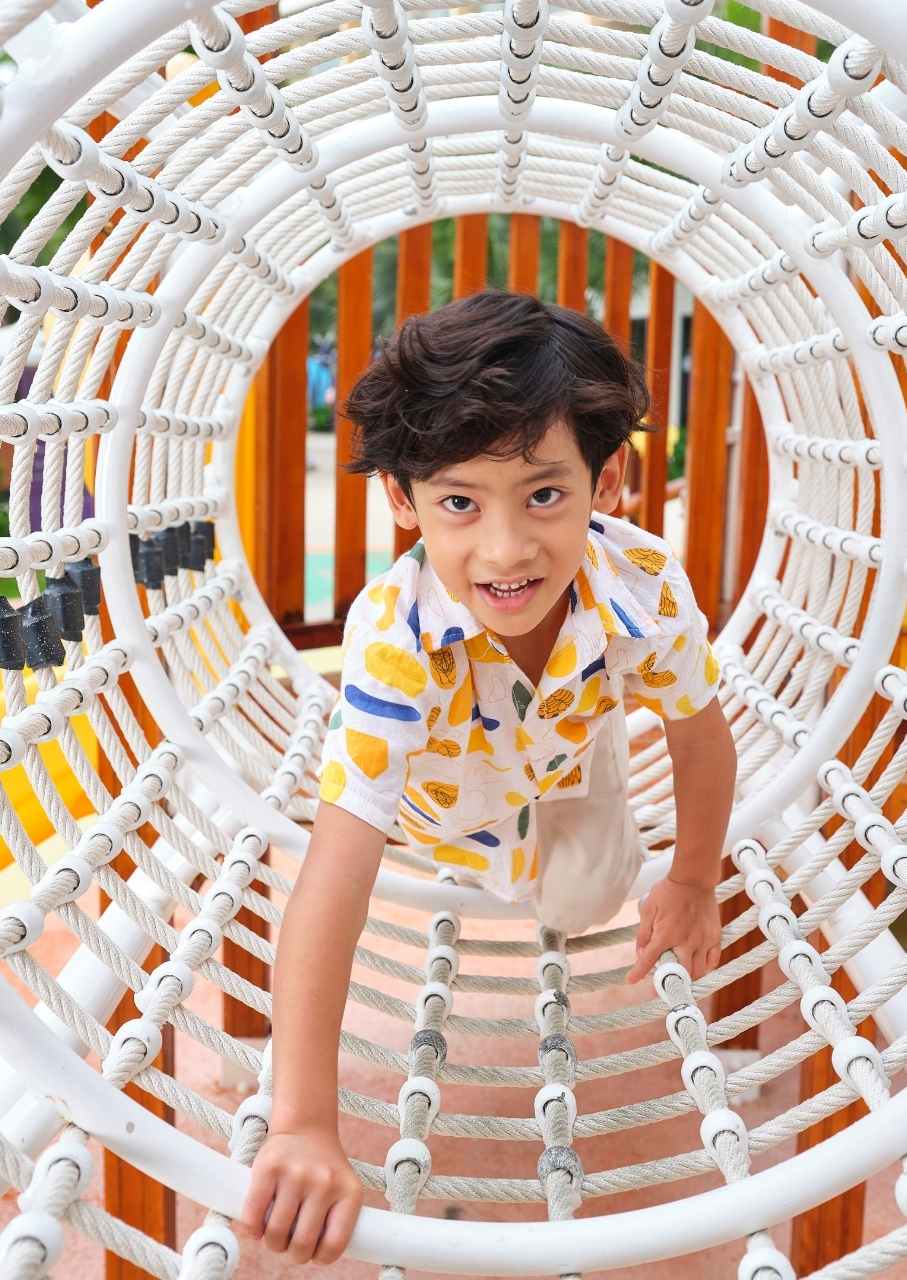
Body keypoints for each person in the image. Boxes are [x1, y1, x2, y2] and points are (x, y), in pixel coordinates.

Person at [239, 290, 737, 1265]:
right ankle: (568, 751)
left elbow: (699, 735)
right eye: (460, 503)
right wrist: (301, 1120)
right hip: (448, 804)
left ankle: (591, 751)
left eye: (544, 494)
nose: (506, 550)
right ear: (402, 498)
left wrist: (692, 877)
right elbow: (334, 871)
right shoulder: (395, 646)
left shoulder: (642, 581)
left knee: (583, 897)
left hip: (572, 761)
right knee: (501, 864)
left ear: (609, 479)